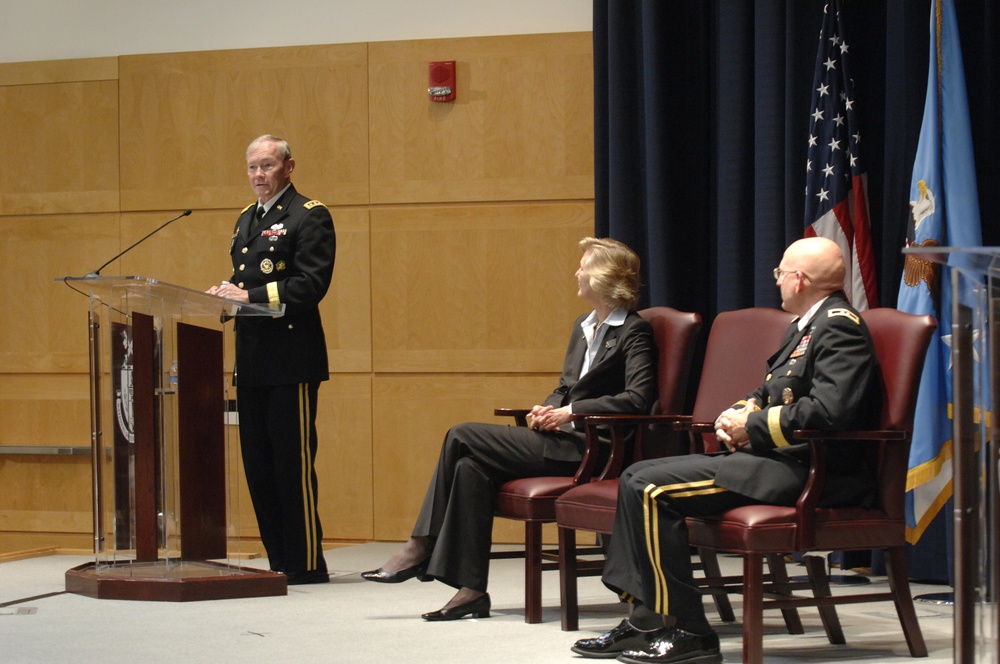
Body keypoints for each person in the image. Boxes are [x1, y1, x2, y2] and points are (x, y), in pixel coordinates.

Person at [572, 236, 880, 663]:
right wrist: (738, 412)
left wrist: (752, 427)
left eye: (779, 274)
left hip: (812, 472)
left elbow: (830, 412)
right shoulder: (809, 324)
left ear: (799, 279)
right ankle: (645, 619)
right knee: (637, 477)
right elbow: (775, 389)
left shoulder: (838, 324)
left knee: (648, 488)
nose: (776, 282)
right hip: (776, 461)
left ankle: (689, 630)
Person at [361, 237, 659, 620]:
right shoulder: (583, 326)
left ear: (603, 277)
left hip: (591, 447)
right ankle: (470, 591)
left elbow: (638, 398)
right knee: (471, 469)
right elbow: (565, 387)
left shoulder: (633, 331)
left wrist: (571, 412)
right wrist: (546, 408)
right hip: (560, 437)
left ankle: (420, 545)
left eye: (583, 266)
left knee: (461, 434)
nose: (577, 273)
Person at [207, 134, 336, 585]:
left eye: (266, 166)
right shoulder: (247, 219)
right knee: (258, 465)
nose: (258, 175)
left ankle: (304, 563)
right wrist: (225, 294)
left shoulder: (309, 215)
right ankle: (277, 558)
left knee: (291, 463)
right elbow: (245, 278)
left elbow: (310, 285)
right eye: (251, 168)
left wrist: (248, 294)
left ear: (289, 166)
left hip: (290, 359)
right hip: (252, 359)